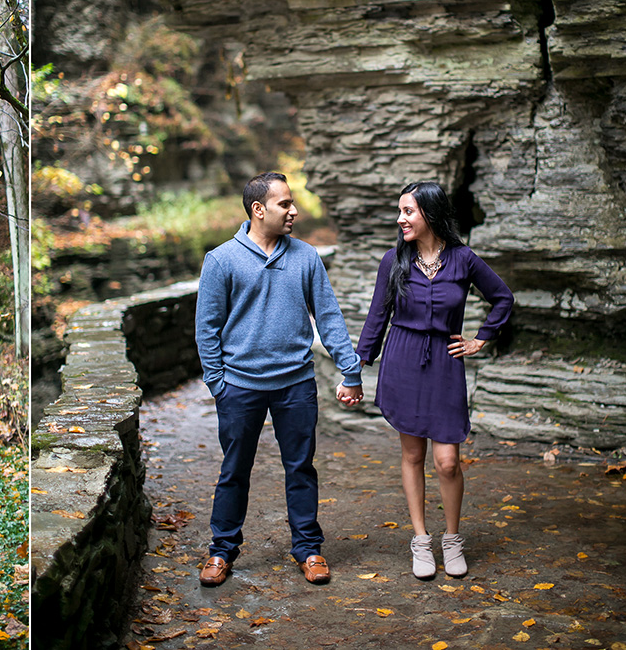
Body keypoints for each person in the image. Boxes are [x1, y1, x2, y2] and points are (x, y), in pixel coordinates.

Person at [195, 172, 363, 589]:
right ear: (259, 209)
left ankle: (308, 549)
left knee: (301, 468)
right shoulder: (221, 260)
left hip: (295, 385)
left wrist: (351, 368)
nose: (294, 211)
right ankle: (222, 550)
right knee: (235, 469)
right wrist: (219, 383)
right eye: (285, 204)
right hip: (241, 386)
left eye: (292, 203)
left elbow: (329, 318)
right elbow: (206, 328)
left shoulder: (306, 257)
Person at [356, 181, 513, 580]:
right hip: (402, 360)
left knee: (447, 462)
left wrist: (481, 339)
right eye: (400, 211)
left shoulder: (463, 259)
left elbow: (503, 297)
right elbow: (377, 317)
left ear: (430, 212)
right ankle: (422, 541)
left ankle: (452, 538)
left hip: (445, 363)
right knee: (412, 455)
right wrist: (355, 368)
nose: (400, 219)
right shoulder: (394, 260)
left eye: (408, 211)